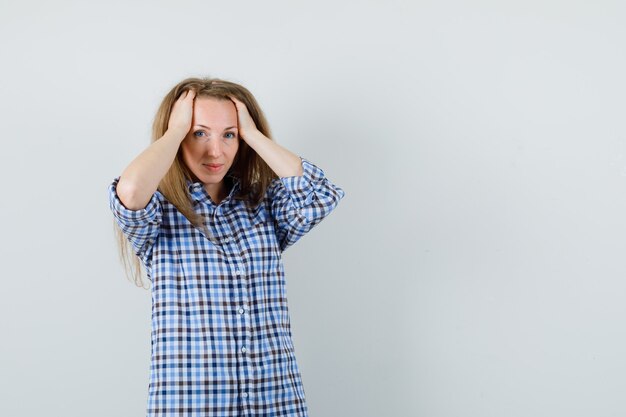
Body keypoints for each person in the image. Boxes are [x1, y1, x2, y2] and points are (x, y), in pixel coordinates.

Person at [107, 77, 345, 417]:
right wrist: (173, 132)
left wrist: (253, 134)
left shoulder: (263, 205)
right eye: (199, 133)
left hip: (275, 400)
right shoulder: (159, 213)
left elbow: (320, 195)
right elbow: (129, 193)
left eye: (228, 134)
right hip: (194, 405)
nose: (215, 151)